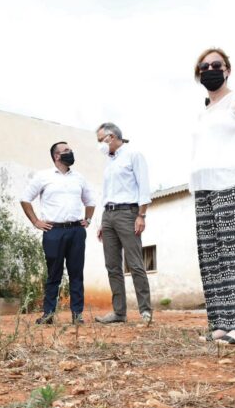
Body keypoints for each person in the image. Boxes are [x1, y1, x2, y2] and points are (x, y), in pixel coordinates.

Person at [190, 48, 235, 345]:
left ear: (227, 69)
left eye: (216, 64)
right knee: (212, 256)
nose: (210, 69)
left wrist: (234, 167)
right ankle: (221, 322)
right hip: (203, 188)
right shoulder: (203, 111)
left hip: (232, 184)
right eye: (204, 66)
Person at [21, 141, 96, 325]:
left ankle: (77, 315)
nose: (70, 152)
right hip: (53, 231)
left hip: (76, 231)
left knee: (76, 274)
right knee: (54, 274)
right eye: (66, 151)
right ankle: (48, 314)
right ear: (56, 156)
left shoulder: (78, 177)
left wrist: (88, 219)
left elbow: (90, 201)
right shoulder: (43, 176)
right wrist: (36, 222)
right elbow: (25, 199)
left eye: (70, 149)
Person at [94, 123, 153, 324]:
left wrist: (141, 215)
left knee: (135, 264)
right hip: (108, 215)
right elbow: (108, 192)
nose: (99, 144)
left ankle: (145, 311)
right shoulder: (109, 162)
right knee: (112, 266)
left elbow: (144, 186)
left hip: (128, 214)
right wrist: (103, 222)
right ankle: (119, 313)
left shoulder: (133, 155)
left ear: (111, 137)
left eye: (100, 139)